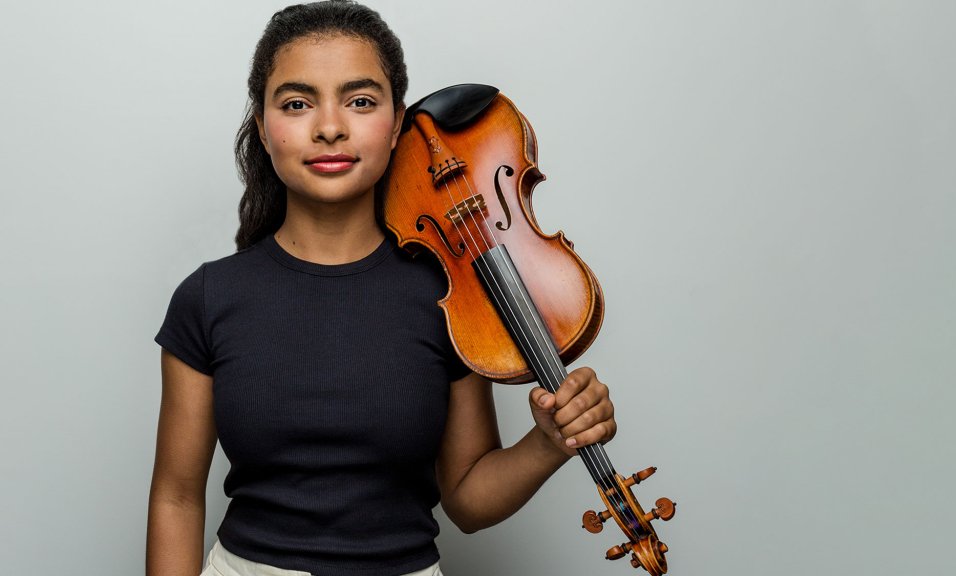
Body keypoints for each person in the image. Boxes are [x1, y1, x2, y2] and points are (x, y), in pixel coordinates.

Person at [146, 2, 616, 575]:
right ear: (264, 126)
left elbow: (467, 500)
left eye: (361, 101)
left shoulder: (451, 292)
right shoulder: (208, 296)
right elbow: (175, 496)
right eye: (296, 103)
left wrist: (546, 444)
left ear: (397, 125)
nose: (329, 127)